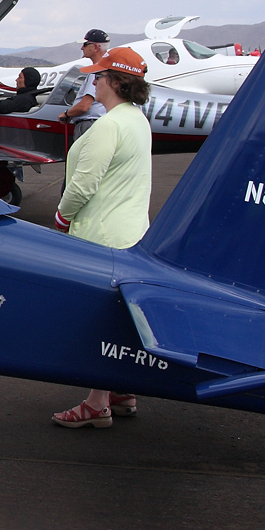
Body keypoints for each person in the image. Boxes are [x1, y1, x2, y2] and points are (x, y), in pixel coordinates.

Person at [50, 47, 154, 428]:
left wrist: (61, 218)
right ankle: (121, 389)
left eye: (99, 75)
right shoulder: (136, 120)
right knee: (118, 318)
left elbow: (83, 184)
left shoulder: (108, 126)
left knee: (96, 322)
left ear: (114, 81)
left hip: (101, 235)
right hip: (130, 232)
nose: (94, 81)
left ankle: (96, 403)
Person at [58, 29, 111, 142]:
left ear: (96, 47)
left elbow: (84, 106)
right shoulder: (108, 70)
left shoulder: (97, 72)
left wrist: (67, 114)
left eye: (85, 44)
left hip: (89, 124)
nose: (82, 48)